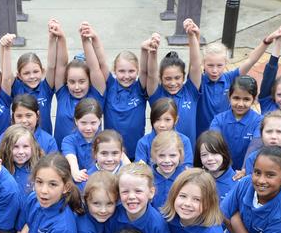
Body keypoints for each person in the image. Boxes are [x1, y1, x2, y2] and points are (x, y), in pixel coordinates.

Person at [196, 23, 281, 135]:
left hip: (225, 134)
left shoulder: (230, 78)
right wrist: (195, 37)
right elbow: (194, 64)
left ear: (226, 63)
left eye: (219, 65)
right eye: (210, 65)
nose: (215, 70)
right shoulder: (198, 81)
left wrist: (268, 40)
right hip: (200, 136)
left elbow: (251, 60)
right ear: (203, 63)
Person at [80, 22, 147, 160]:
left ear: (137, 71)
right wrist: (92, 38)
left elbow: (148, 72)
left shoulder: (140, 88)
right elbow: (99, 64)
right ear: (114, 71)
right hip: (111, 154)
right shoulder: (109, 86)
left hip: (136, 153)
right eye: (121, 71)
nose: (126, 76)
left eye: (131, 71)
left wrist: (146, 51)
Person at [18, 153, 83, 233]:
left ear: (66, 187)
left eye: (52, 184)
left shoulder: (64, 227)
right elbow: (18, 231)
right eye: (39, 182)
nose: (43, 191)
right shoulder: (32, 199)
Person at [147, 19, 202, 155]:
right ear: (161, 79)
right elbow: (151, 74)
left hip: (187, 155)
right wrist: (153, 52)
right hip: (161, 155)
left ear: (184, 77)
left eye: (177, 78)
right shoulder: (157, 95)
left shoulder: (190, 92)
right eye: (167, 79)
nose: (173, 83)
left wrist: (192, 36)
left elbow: (195, 65)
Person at [49, 19, 105, 148]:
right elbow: (61, 64)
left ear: (90, 81)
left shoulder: (96, 95)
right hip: (63, 157)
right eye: (72, 82)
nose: (77, 87)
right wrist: (61, 37)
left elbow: (95, 68)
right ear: (66, 82)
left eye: (82, 81)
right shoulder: (63, 94)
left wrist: (85, 39)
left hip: (93, 157)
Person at [161, 168, 224, 233]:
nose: (187, 204)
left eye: (197, 199)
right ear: (173, 196)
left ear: (208, 203)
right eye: (183, 196)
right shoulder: (168, 218)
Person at [0, 34, 55, 135]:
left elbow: (51, 66)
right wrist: (5, 48)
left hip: (43, 140)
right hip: (20, 139)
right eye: (26, 73)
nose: (32, 76)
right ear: (19, 76)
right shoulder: (16, 87)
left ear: (42, 72)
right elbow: (6, 76)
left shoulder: (46, 88)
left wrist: (52, 38)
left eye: (36, 71)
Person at [209, 75, 262, 170]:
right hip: (221, 170)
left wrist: (245, 169)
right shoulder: (219, 120)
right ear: (229, 97)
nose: (240, 104)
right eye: (236, 98)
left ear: (253, 100)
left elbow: (255, 146)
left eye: (246, 99)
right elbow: (214, 144)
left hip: (247, 172)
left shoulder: (259, 121)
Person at [135, 97, 193, 166]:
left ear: (176, 120)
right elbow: (140, 170)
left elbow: (187, 168)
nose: (162, 125)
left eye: (167, 119)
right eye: (157, 119)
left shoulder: (184, 141)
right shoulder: (143, 143)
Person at [62, 98, 103, 182]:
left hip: (100, 183)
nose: (88, 128)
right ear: (76, 121)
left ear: (100, 121)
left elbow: (122, 157)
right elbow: (71, 158)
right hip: (77, 184)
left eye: (93, 123)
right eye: (83, 123)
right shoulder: (69, 140)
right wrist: (75, 171)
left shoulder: (106, 139)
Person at [193, 130, 237, 203]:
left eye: (214, 153)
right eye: (204, 155)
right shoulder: (197, 180)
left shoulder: (237, 183)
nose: (210, 158)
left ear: (223, 153)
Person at [243, 110, 281, 176]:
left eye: (279, 132)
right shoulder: (252, 159)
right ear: (261, 134)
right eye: (269, 131)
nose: (273, 136)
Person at [149, 131, 189, 210]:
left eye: (172, 155)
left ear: (180, 155)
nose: (167, 160)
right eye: (161, 155)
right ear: (154, 155)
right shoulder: (148, 178)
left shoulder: (186, 178)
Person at [0, 124, 43, 195]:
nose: (21, 152)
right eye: (15, 147)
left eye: (25, 146)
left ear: (33, 147)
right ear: (6, 148)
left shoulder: (41, 169)